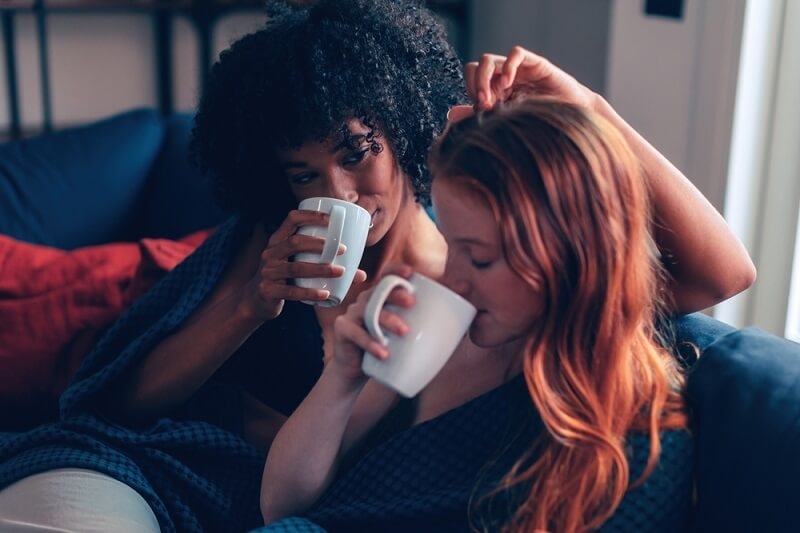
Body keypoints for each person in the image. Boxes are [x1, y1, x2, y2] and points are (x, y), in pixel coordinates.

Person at [0, 1, 464, 531]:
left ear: (407, 126)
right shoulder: (271, 235)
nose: (340, 194)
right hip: (141, 469)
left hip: (261, 505)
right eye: (304, 175)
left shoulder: (447, 289)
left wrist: (338, 350)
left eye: (355, 154)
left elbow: (366, 475)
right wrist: (249, 305)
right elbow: (118, 406)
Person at [258, 47, 756, 532]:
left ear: (568, 255)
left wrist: (590, 107)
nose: (452, 278)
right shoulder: (436, 322)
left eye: (480, 257)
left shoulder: (635, 438)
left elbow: (728, 273)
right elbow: (280, 505)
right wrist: (342, 378)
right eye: (452, 246)